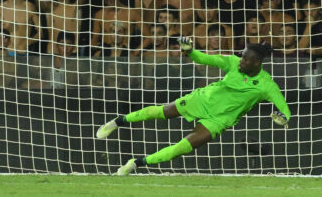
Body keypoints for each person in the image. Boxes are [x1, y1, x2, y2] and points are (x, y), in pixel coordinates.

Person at [96, 37, 291, 175]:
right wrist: (190, 50)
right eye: (242, 56)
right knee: (162, 112)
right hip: (202, 100)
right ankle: (117, 122)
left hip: (218, 120)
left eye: (246, 59)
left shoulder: (267, 85)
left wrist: (283, 117)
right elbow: (205, 59)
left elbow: (284, 108)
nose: (241, 60)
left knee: (182, 148)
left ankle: (136, 163)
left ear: (257, 63)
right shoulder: (233, 62)